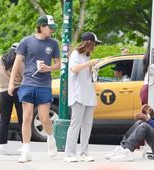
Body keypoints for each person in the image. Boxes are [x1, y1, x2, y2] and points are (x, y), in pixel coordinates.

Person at [8, 15, 61, 163]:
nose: (52, 30)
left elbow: (58, 64)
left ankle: (51, 138)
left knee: (44, 118)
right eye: (50, 27)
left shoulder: (53, 43)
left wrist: (48, 68)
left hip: (44, 84)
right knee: (27, 117)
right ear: (41, 27)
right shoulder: (26, 41)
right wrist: (11, 83)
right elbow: (17, 63)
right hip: (28, 83)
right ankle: (26, 151)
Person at [105, 94, 154, 161]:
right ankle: (123, 148)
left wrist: (147, 119)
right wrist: (152, 116)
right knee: (141, 122)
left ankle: (128, 151)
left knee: (144, 126)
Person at [64, 32, 101, 163]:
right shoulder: (75, 54)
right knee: (75, 124)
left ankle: (84, 153)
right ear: (89, 43)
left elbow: (87, 75)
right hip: (78, 95)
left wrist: (92, 67)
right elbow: (74, 69)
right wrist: (90, 63)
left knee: (87, 125)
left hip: (89, 94)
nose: (95, 47)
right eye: (95, 44)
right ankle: (69, 154)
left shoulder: (86, 56)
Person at [0, 43, 23, 151]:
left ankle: (1, 144)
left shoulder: (0, 60)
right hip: (18, 90)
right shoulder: (19, 61)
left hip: (3, 91)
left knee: (4, 118)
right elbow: (23, 75)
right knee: (22, 118)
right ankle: (23, 143)